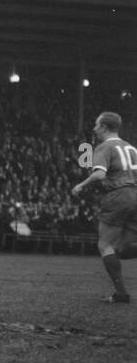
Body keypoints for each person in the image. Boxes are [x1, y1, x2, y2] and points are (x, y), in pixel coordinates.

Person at [72, 112, 137, 304]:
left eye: (96, 125)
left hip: (118, 195)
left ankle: (122, 294)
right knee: (123, 247)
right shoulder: (132, 148)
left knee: (105, 245)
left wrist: (81, 186)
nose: (94, 128)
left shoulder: (104, 148)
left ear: (104, 127)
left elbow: (100, 175)